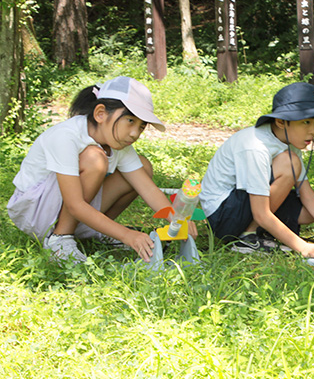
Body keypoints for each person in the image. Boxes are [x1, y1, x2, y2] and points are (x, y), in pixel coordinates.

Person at [7, 76, 195, 263]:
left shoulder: (119, 144)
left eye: (141, 126)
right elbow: (75, 204)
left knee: (143, 166)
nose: (135, 133)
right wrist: (126, 235)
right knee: (95, 158)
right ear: (100, 114)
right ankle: (60, 237)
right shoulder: (66, 136)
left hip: (70, 207)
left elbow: (148, 189)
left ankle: (96, 231)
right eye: (130, 121)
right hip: (35, 211)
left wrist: (177, 219)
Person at [200, 82, 314, 260]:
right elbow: (261, 213)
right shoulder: (255, 146)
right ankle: (247, 237)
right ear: (281, 121)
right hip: (224, 215)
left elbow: (307, 195)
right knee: (288, 161)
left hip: (251, 203)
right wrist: (303, 247)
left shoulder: (289, 141)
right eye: (306, 122)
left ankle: (264, 233)